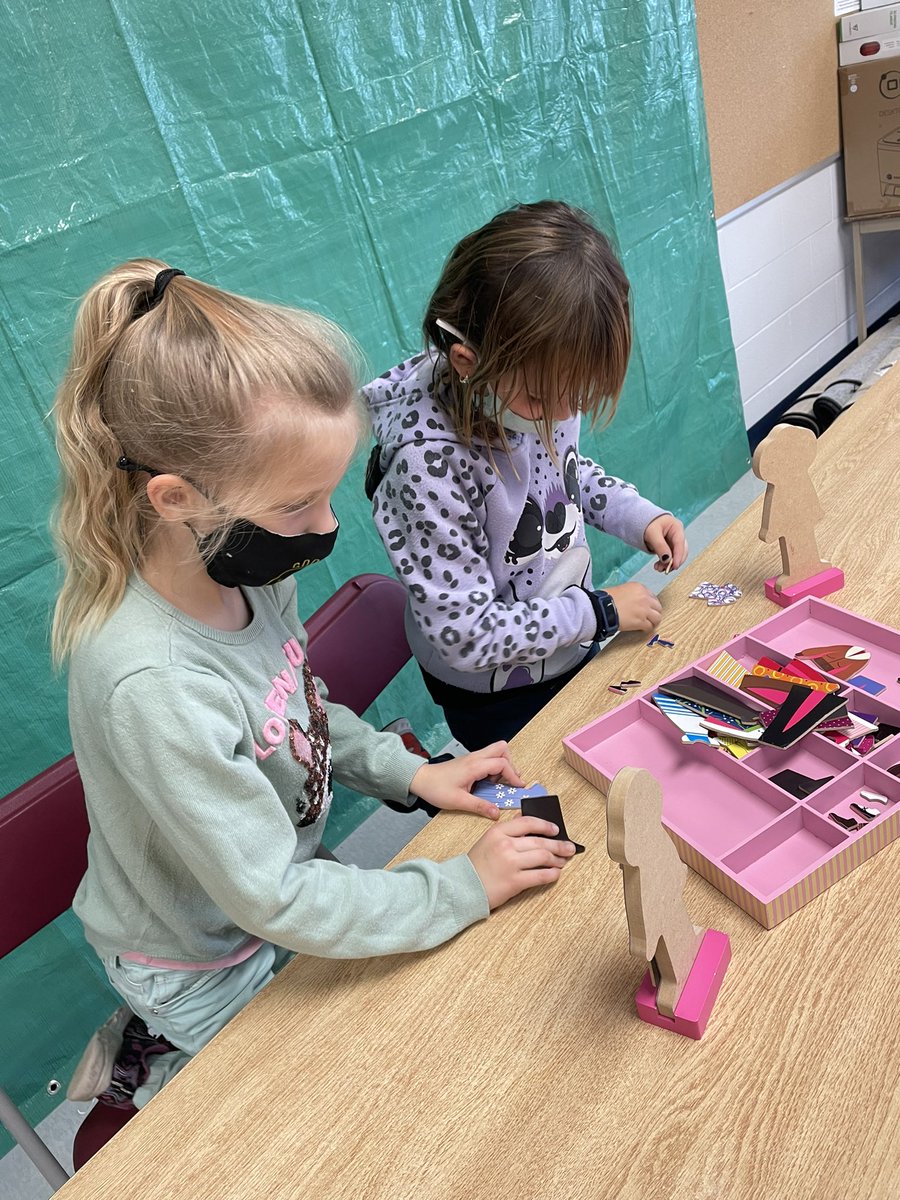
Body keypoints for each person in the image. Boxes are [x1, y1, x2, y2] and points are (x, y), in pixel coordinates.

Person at [53, 261, 576, 1111]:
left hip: (275, 884)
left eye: (330, 493)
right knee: (331, 1109)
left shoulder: (248, 571)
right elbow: (271, 897)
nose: (329, 526)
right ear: (180, 498)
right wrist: (461, 887)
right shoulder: (149, 680)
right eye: (301, 505)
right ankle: (152, 1048)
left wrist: (405, 771)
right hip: (199, 958)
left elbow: (295, 704)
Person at [363, 201, 687, 750]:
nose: (564, 414)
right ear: (468, 362)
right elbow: (466, 636)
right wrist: (600, 610)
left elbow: (563, 472)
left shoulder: (538, 394)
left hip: (570, 639)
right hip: (495, 693)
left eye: (578, 395)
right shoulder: (425, 468)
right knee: (542, 801)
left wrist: (637, 514)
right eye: (542, 397)